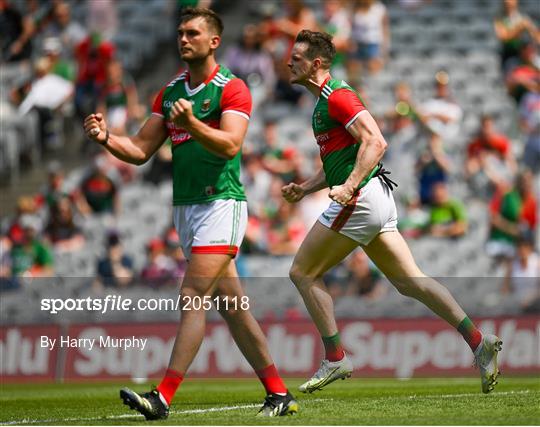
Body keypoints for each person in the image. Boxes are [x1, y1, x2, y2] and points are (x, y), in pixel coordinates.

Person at [84, 7, 298, 419]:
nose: (183, 39)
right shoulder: (169, 92)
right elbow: (142, 150)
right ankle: (278, 392)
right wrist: (107, 137)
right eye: (180, 33)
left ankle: (162, 397)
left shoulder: (231, 88)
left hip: (222, 203)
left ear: (214, 41)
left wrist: (193, 123)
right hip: (186, 210)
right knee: (234, 307)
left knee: (192, 295)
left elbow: (231, 144)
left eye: (193, 33)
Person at [281, 30, 502, 395]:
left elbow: (375, 141)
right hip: (375, 197)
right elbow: (338, 162)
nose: (290, 62)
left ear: (316, 64)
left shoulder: (337, 95)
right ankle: (479, 341)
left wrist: (349, 185)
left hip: (361, 198)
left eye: (298, 57)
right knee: (409, 281)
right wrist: (305, 187)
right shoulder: (323, 102)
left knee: (302, 272)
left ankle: (335, 356)